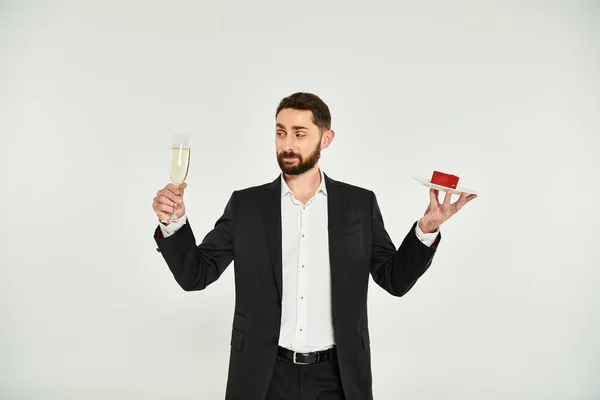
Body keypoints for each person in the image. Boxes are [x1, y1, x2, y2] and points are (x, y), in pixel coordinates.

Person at [151, 92, 477, 400]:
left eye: (299, 134)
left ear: (326, 138)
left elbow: (394, 279)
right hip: (263, 376)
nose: (287, 144)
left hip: (338, 378)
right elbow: (196, 275)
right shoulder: (246, 206)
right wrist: (174, 223)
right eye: (281, 133)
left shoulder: (358, 205)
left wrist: (427, 228)